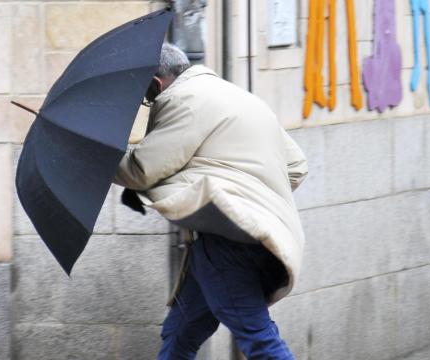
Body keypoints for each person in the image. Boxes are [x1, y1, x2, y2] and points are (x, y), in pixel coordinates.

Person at [113, 43, 308, 359]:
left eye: (146, 94)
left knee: (260, 341)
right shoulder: (236, 96)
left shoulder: (182, 100)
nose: (148, 101)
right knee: (179, 333)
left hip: (229, 245)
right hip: (257, 238)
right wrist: (251, 198)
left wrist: (96, 159)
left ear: (156, 83)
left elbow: (143, 170)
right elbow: (297, 166)